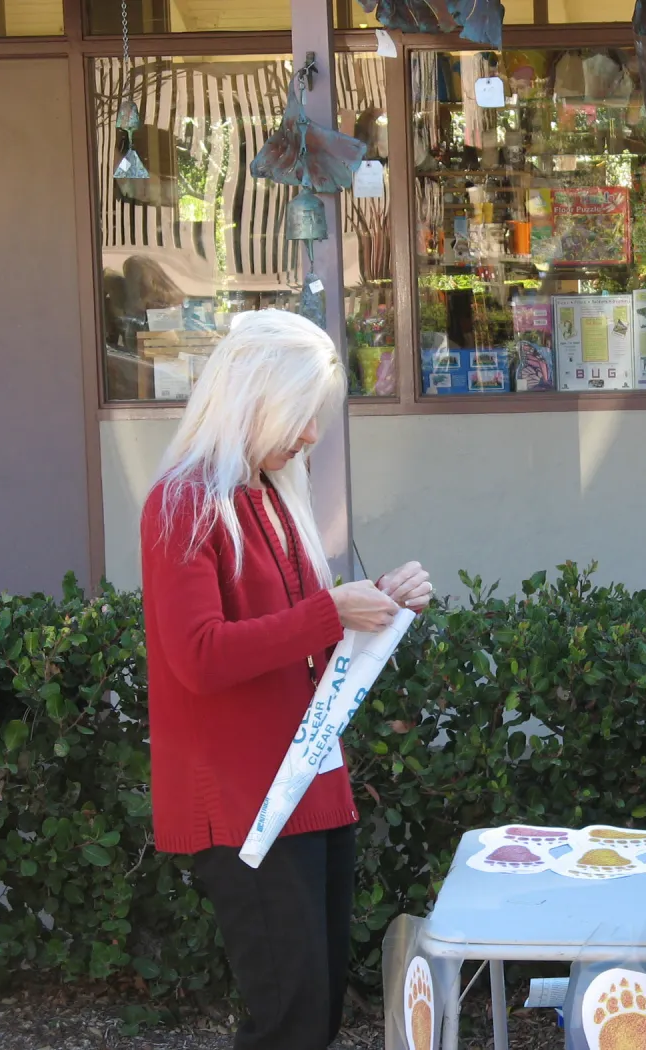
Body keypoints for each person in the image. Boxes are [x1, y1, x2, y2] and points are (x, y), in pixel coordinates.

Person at [140, 310, 434, 1050]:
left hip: (305, 783)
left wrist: (379, 607)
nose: (310, 435)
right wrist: (331, 612)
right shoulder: (184, 502)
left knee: (314, 1014)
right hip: (246, 798)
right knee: (292, 1023)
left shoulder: (273, 496)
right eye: (299, 413)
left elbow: (306, 646)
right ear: (252, 397)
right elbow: (199, 657)